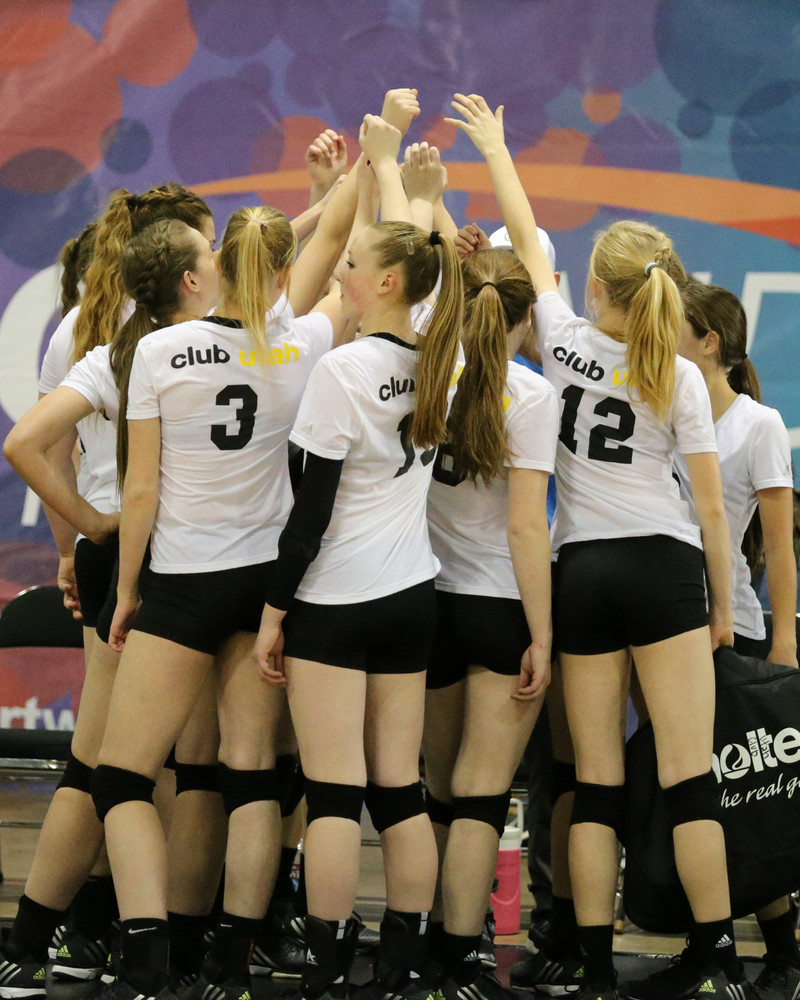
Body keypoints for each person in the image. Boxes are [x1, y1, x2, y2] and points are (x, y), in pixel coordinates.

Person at [445, 92, 752, 1000]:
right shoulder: (679, 376)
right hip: (663, 570)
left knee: (596, 783)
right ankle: (717, 959)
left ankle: (590, 967)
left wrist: (497, 147)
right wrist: (723, 610)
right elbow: (711, 513)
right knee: (690, 778)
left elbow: (523, 230)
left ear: (600, 290)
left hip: (580, 571)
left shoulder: (565, 343)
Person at [89, 194, 353, 1000]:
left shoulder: (160, 348)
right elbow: (334, 244)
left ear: (217, 264)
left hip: (185, 579)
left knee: (122, 778)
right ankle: (230, 961)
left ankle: (147, 958)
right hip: (265, 582)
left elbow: (140, 489)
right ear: (278, 269)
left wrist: (126, 590)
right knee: (251, 775)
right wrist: (369, 167)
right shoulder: (302, 342)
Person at [254, 113, 463, 1000]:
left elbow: (309, 514)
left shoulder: (342, 371)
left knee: (335, 793)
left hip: (336, 599)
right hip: (413, 595)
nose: (337, 270)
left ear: (383, 282)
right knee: (400, 790)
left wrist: (274, 614)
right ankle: (404, 960)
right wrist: (399, 182)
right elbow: (426, 263)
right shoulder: (443, 356)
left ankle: (331, 965)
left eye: (351, 264)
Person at [0, 187, 217, 997]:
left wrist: (81, 538)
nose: (218, 265)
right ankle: (143, 948)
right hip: (167, 557)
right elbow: (38, 445)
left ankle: (75, 937)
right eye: (209, 250)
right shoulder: (199, 343)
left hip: (123, 551)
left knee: (114, 763)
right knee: (143, 767)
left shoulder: (100, 337)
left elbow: (36, 444)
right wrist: (92, 530)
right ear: (183, 267)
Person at [421, 244, 557, 1000]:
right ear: (526, 315)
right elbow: (526, 526)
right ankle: (461, 959)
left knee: (439, 792)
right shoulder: (529, 394)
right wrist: (542, 632)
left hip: (427, 598)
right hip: (499, 603)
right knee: (480, 796)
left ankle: (430, 943)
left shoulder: (427, 372)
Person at [657, 280, 799, 1000]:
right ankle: (706, 948)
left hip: (731, 627)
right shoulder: (665, 409)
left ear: (708, 343)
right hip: (667, 623)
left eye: (675, 327)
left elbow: (779, 545)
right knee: (693, 797)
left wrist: (783, 645)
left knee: (740, 797)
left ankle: (783, 955)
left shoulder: (757, 424)